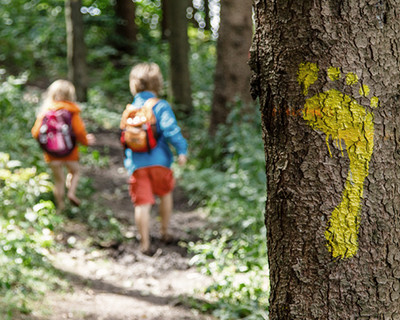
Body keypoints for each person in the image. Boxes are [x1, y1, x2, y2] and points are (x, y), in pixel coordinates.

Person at [120, 63, 188, 254]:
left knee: (142, 203)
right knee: (165, 194)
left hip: (137, 164)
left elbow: (125, 139)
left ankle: (145, 244)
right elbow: (170, 129)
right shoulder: (160, 106)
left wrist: (129, 163)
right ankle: (165, 232)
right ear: (158, 83)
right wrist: (182, 150)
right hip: (161, 162)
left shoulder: (131, 109)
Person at [31, 79, 95, 211]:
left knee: (58, 181)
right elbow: (79, 131)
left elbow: (35, 132)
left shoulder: (46, 111)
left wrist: (47, 146)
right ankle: (71, 192)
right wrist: (86, 141)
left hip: (52, 155)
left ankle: (60, 207)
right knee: (75, 172)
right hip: (70, 153)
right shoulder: (72, 111)